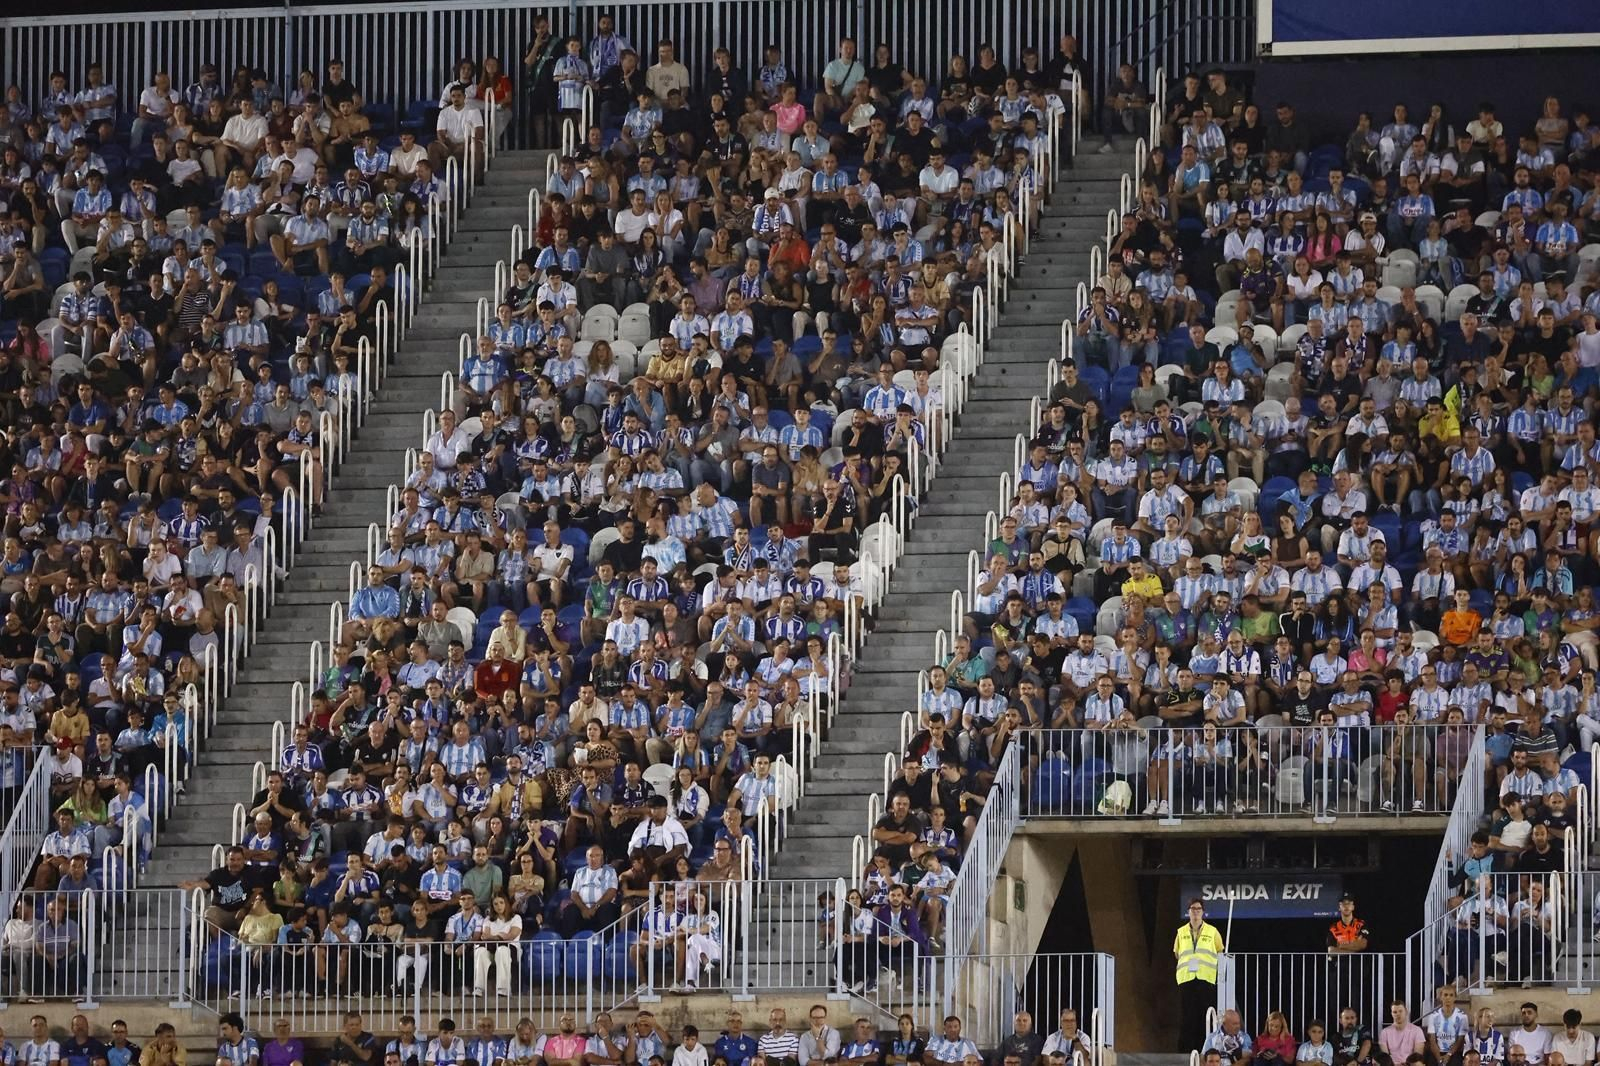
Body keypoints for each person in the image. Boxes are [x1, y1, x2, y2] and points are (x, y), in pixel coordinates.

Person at [1175, 898, 1225, 1050]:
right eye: (1193, 908)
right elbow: (1177, 953)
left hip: (1206, 979)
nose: (1195, 911)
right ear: (1188, 911)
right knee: (1187, 1017)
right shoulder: (1181, 932)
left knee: (1204, 1017)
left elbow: (1220, 951)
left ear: (1203, 912)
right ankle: (1185, 1051)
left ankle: (1203, 1049)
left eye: (1198, 909)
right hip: (1187, 979)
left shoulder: (1212, 931)